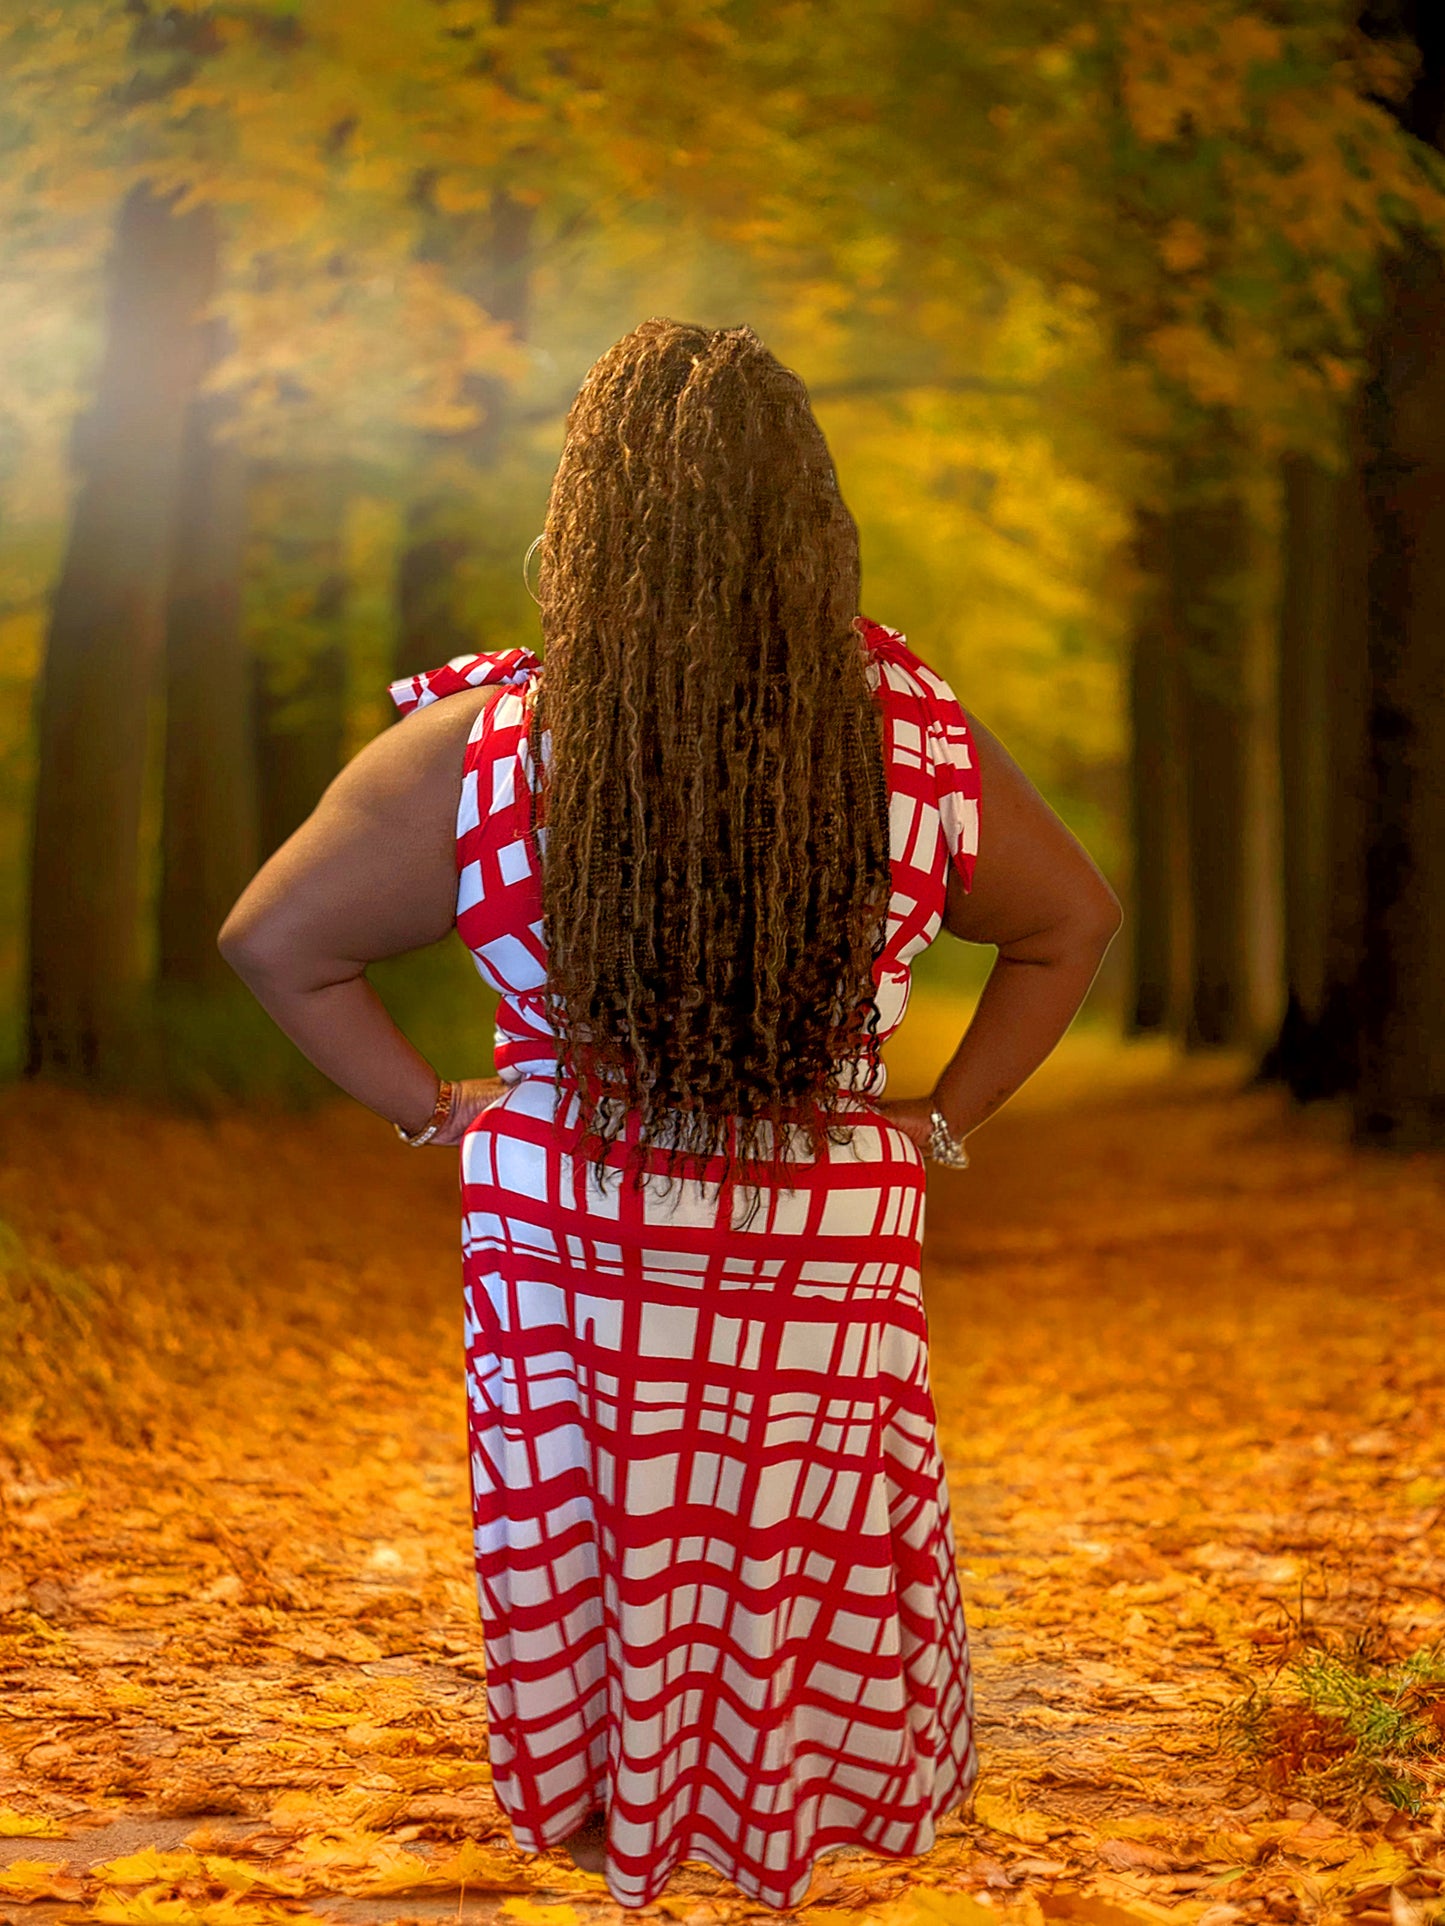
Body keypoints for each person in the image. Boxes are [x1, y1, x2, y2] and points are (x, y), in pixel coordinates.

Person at [218, 317, 1122, 1911]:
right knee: (793, 1527)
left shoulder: (485, 750)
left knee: (600, 1517)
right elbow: (1068, 923)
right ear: (812, 524)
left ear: (590, 517)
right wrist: (940, 1123)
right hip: (823, 1219)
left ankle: (611, 1821)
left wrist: (438, 1112)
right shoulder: (911, 738)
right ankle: (792, 1826)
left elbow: (276, 942)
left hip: (569, 1205)